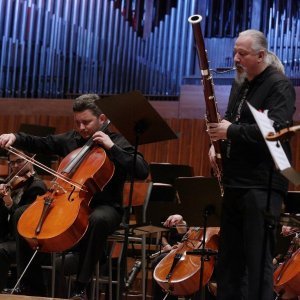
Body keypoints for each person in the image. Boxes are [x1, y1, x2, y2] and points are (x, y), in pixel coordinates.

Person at [0, 94, 149, 300]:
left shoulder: (117, 141)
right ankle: (32, 285)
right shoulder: (71, 140)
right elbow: (42, 143)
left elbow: (141, 171)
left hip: (106, 207)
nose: (81, 127)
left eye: (86, 122)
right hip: (68, 201)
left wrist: (111, 148)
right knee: (20, 215)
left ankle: (81, 286)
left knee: (97, 219)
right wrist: (16, 137)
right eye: (77, 122)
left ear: (102, 119)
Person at [207, 29, 295, 300]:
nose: (235, 58)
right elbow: (232, 120)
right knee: (229, 261)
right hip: (235, 180)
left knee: (257, 261)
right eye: (235, 52)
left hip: (262, 183)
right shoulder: (240, 83)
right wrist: (216, 144)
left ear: (261, 55)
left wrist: (229, 132)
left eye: (242, 54)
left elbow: (275, 132)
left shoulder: (279, 85)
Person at [0, 150, 47, 291]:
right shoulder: (14, 183)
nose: (15, 165)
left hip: (27, 243)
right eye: (12, 162)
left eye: (19, 161)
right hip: (9, 237)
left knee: (1, 250)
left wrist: (9, 203)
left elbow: (22, 224)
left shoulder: (37, 187)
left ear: (31, 161)